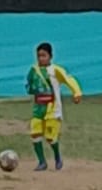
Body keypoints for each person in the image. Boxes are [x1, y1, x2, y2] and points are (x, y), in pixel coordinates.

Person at [26, 41, 82, 171]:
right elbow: (29, 86)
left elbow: (69, 80)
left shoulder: (55, 70)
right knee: (35, 134)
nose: (41, 58)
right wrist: (31, 88)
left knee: (50, 137)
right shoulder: (33, 70)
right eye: (39, 56)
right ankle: (42, 162)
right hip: (38, 108)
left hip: (52, 109)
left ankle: (57, 157)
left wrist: (76, 93)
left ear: (50, 56)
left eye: (44, 55)